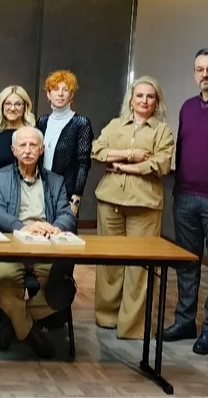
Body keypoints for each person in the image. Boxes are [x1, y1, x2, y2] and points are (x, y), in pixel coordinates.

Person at [92, 76, 174, 340]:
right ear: (131, 99)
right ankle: (106, 317)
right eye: (139, 95)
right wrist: (131, 155)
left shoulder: (163, 131)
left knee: (140, 268)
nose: (144, 101)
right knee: (109, 262)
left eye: (150, 96)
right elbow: (97, 150)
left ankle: (133, 326)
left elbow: (160, 164)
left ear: (157, 102)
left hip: (144, 205)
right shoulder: (115, 125)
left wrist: (122, 166)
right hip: (110, 201)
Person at [0, 126, 76, 358]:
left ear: (41, 149)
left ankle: (14, 321)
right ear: (13, 150)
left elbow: (66, 214)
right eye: (22, 145)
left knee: (62, 289)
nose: (27, 150)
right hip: (11, 247)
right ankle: (30, 332)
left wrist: (56, 227)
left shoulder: (55, 181)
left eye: (33, 145)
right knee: (3, 281)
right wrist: (22, 227)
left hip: (45, 247)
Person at [165, 48, 208, 353]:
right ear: (194, 74)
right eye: (200, 69)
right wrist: (178, 188)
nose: (205, 74)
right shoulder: (187, 107)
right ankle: (184, 321)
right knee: (187, 262)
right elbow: (181, 150)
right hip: (186, 197)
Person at [36, 70, 93, 222]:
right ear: (48, 94)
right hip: (40, 189)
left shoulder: (81, 123)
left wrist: (76, 197)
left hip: (65, 193)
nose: (60, 94)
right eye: (55, 89)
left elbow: (83, 163)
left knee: (63, 232)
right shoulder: (42, 121)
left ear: (71, 95)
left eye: (65, 90)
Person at [0, 85, 35, 210]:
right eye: (8, 104)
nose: (12, 108)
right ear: (2, 106)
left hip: (22, 202)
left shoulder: (31, 134)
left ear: (25, 107)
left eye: (18, 104)